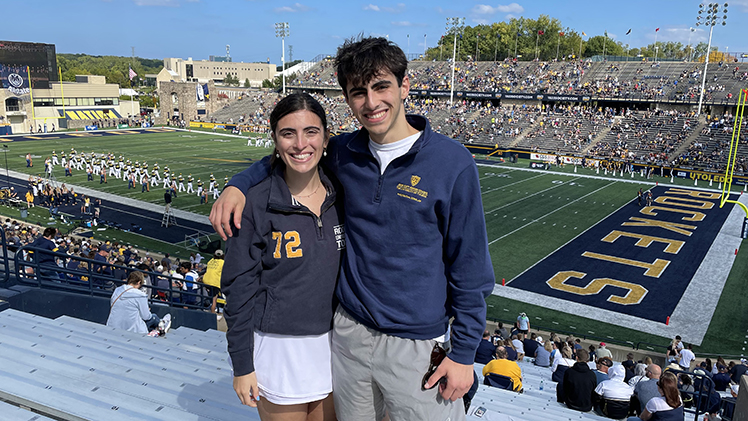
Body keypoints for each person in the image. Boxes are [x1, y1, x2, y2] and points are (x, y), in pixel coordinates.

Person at [213, 36, 494, 420]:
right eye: (358, 92)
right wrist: (239, 183)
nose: (371, 102)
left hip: (414, 343)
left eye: (381, 87)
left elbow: (471, 266)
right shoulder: (344, 152)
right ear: (347, 98)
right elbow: (292, 152)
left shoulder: (451, 162)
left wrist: (463, 353)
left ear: (405, 85)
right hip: (348, 335)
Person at [222, 93, 342, 420]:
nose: (300, 143)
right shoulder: (254, 205)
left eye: (311, 132)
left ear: (326, 137)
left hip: (338, 346)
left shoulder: (343, 193)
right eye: (288, 133)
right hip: (279, 350)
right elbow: (238, 288)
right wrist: (242, 365)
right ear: (275, 139)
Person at [201, 249, 224, 315]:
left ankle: (206, 308)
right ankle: (212, 313)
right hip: (214, 282)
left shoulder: (210, 261)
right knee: (214, 299)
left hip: (205, 281)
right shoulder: (222, 262)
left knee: (209, 296)